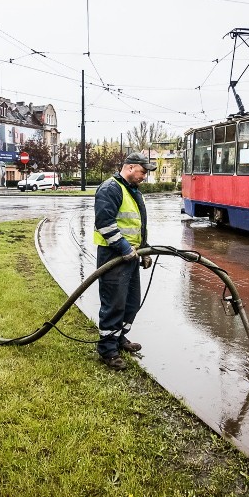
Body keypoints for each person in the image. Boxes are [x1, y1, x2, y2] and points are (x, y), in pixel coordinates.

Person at [92, 152, 155, 371]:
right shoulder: (110, 189)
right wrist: (125, 248)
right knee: (114, 303)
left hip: (130, 256)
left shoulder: (134, 191)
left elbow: (139, 226)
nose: (145, 176)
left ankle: (119, 338)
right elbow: (105, 223)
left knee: (131, 302)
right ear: (129, 167)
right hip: (113, 255)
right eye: (143, 172)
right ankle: (108, 350)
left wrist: (144, 251)